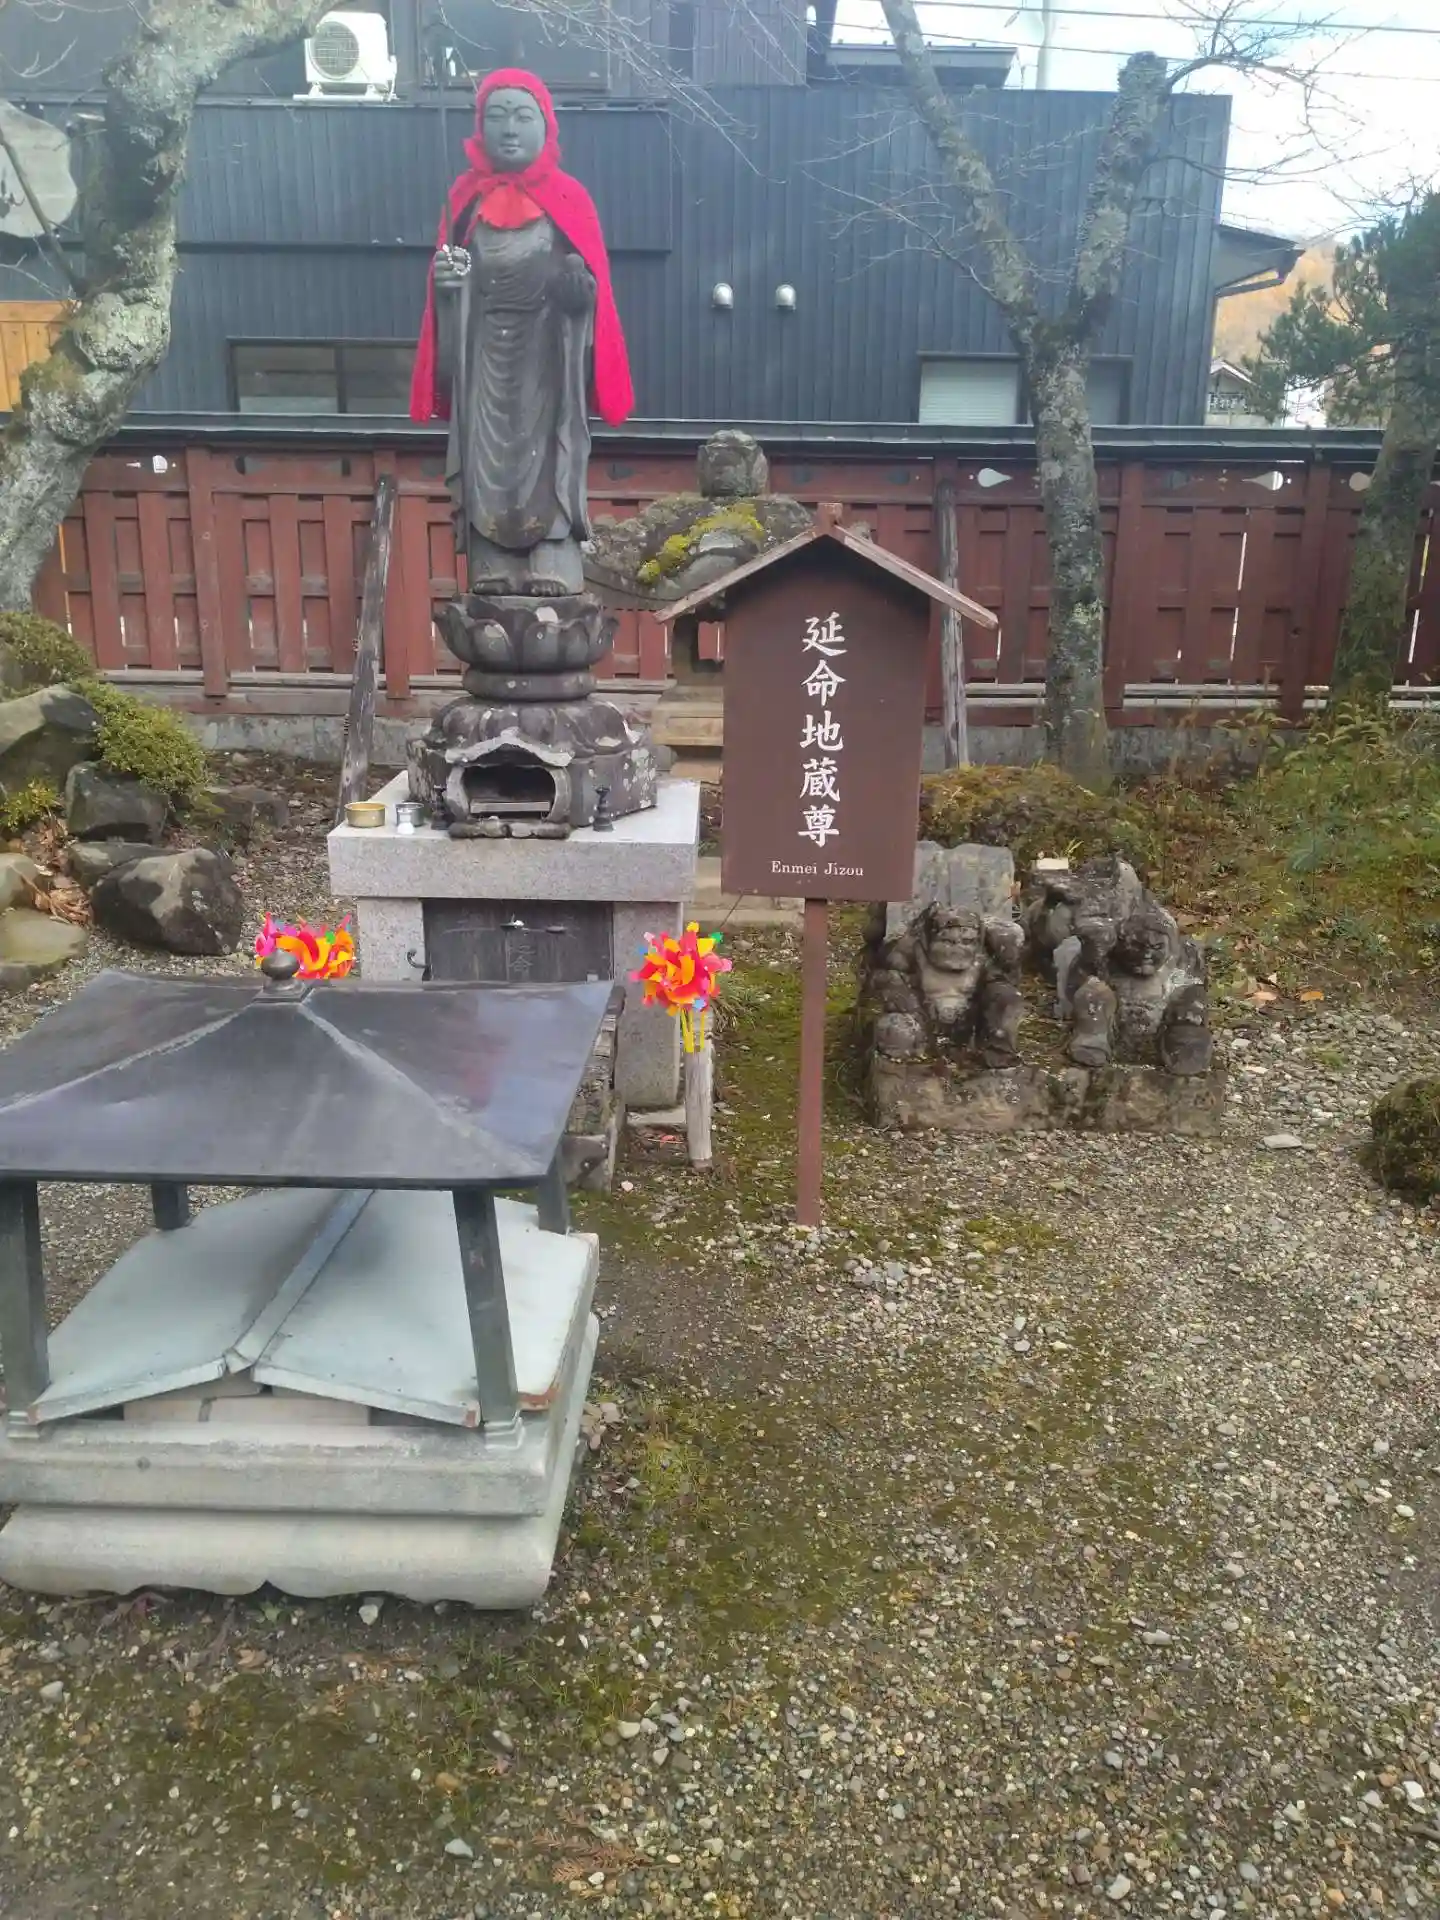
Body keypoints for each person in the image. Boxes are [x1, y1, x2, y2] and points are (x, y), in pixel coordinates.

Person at [410, 68, 634, 596]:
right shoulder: (464, 200)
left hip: (548, 353)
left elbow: (590, 290)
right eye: (497, 116)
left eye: (522, 116)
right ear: (479, 127)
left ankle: (550, 556)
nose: (509, 129)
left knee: (549, 452)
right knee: (485, 456)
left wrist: (579, 292)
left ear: (546, 126)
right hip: (484, 352)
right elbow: (451, 287)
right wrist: (448, 286)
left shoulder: (569, 198)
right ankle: (492, 561)